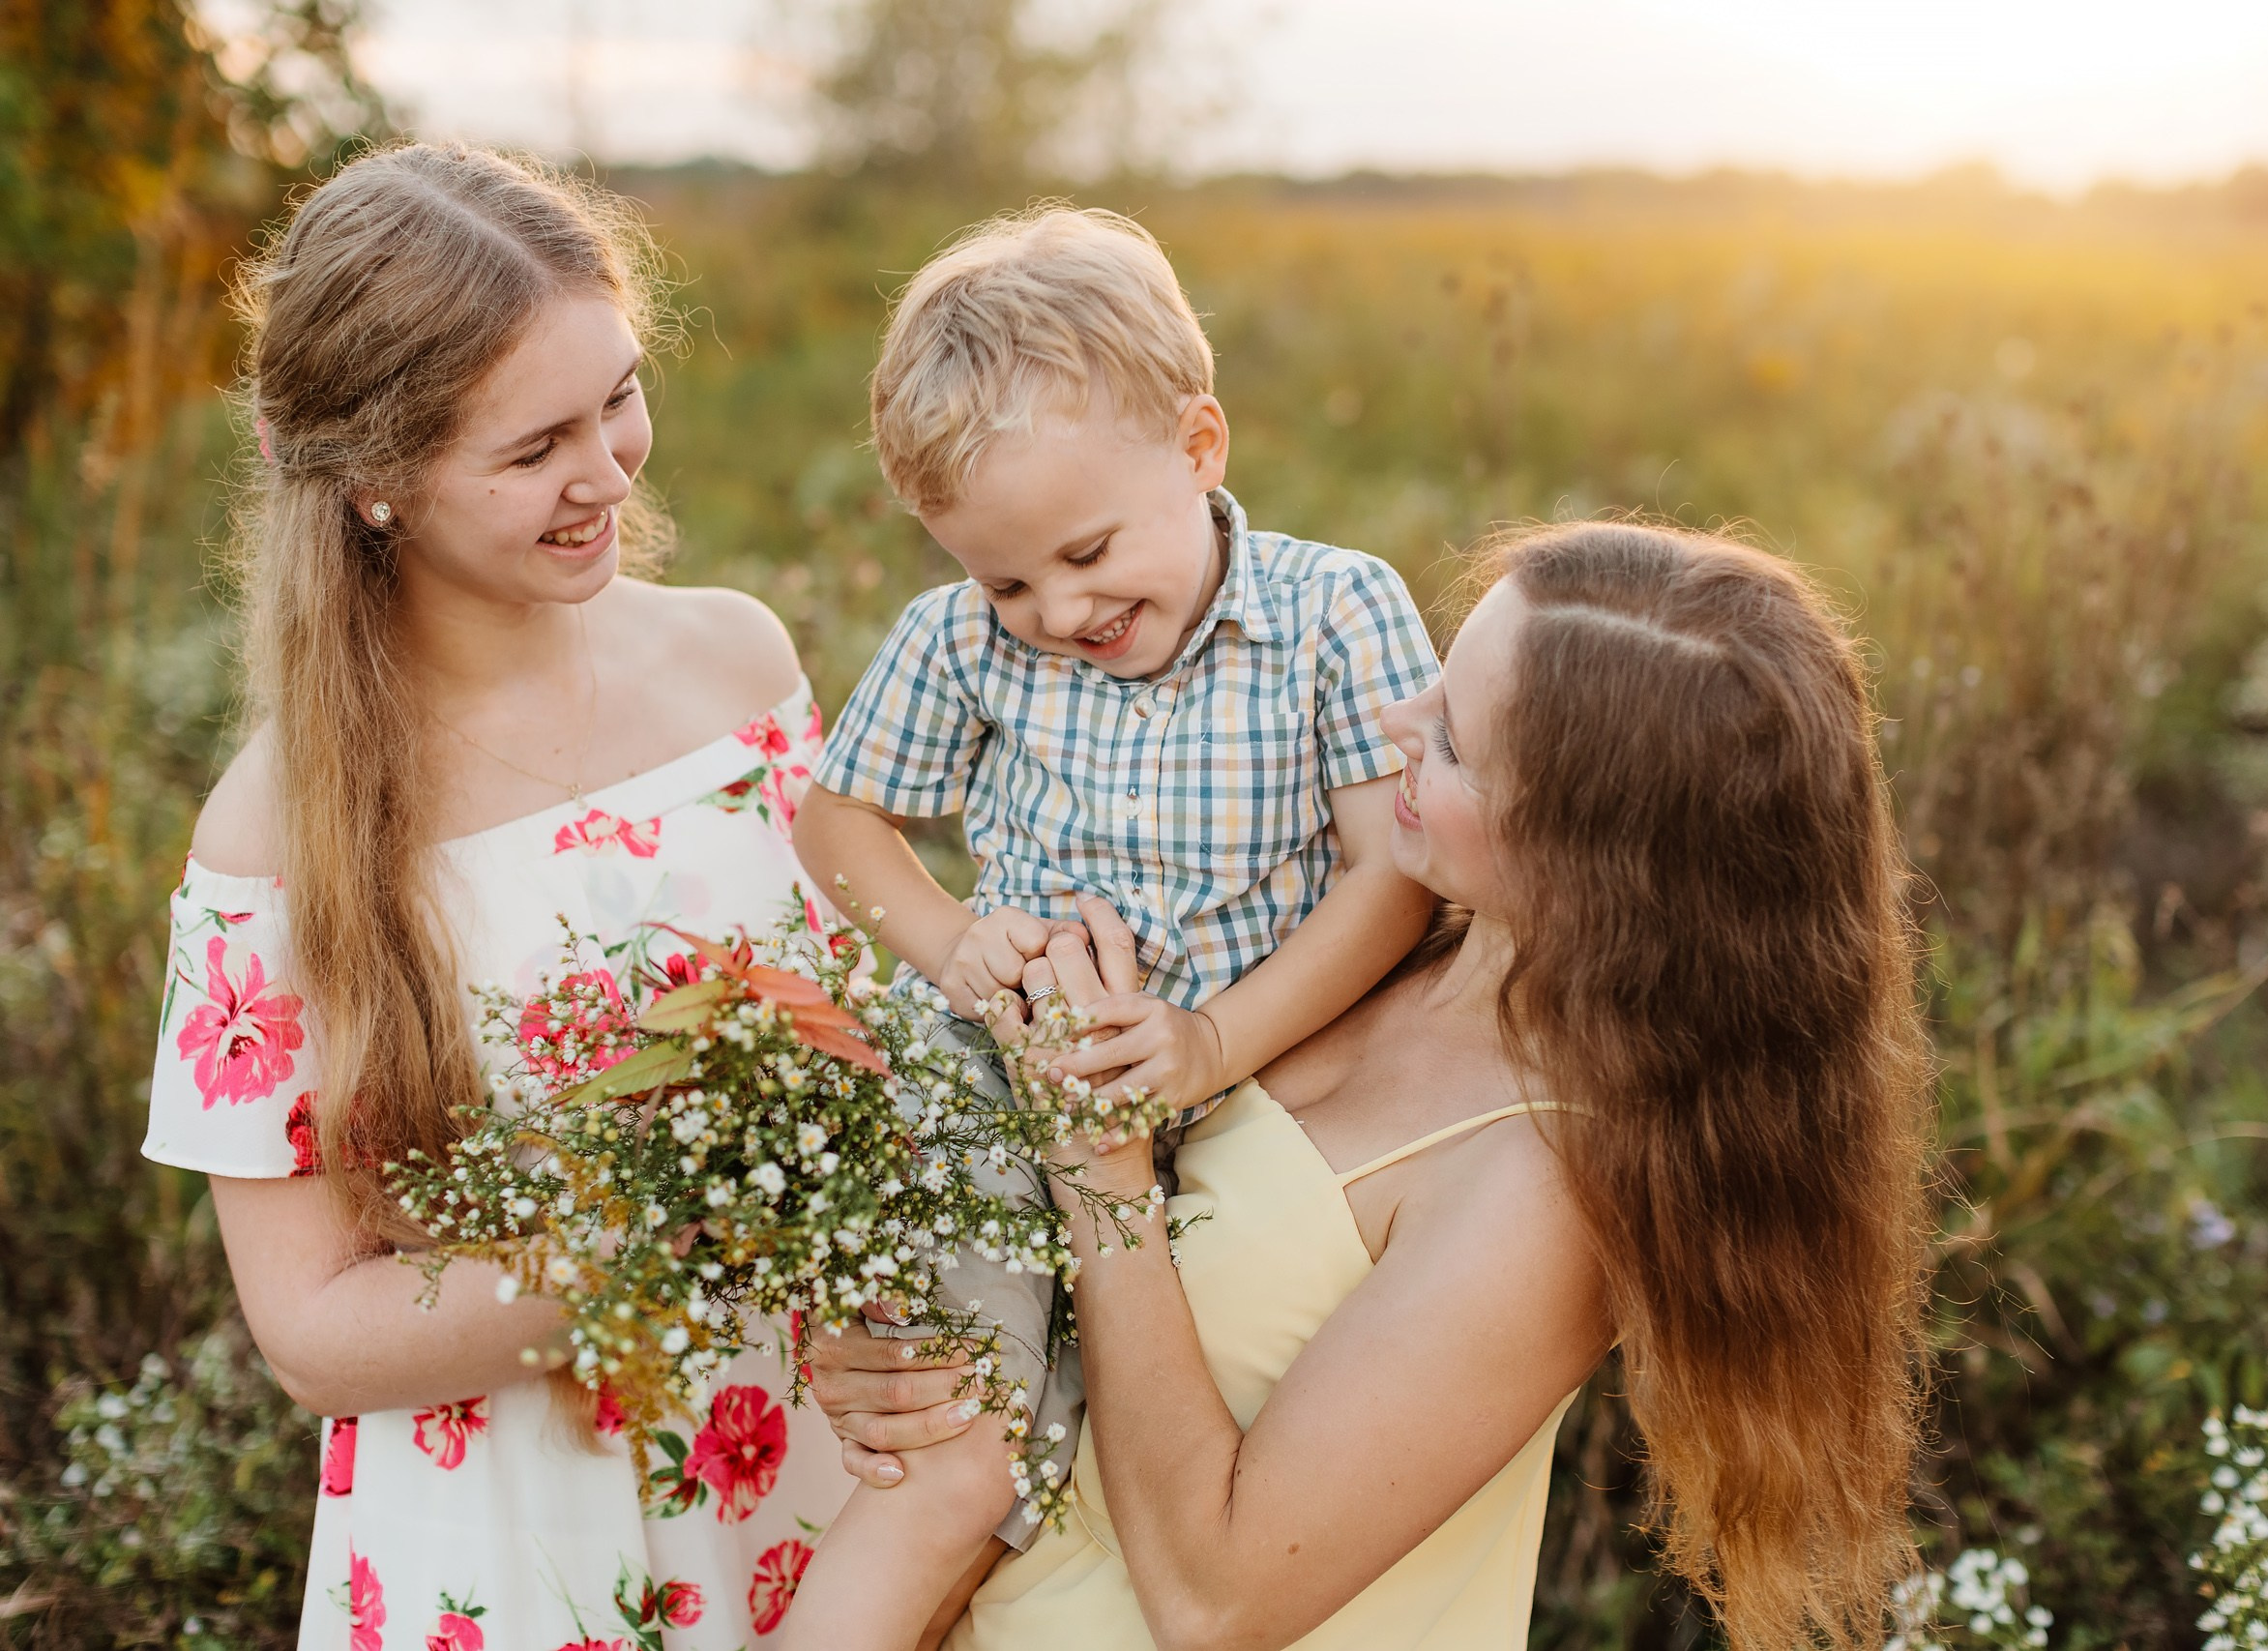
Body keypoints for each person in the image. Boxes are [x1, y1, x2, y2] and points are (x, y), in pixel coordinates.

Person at [805, 521, 1935, 1651]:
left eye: (1448, 743)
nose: (1394, 722)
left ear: (1579, 851)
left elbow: (1216, 1601)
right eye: (1434, 684)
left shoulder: (1549, 1185)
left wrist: (1097, 1173)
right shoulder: (1360, 942)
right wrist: (912, 1368)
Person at [143, 143, 849, 1648]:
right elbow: (314, 1334)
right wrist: (667, 1221)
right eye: (534, 449)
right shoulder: (278, 830)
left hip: (822, 1477)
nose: (604, 470)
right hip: (524, 1539)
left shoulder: (738, 663)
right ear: (377, 481)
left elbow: (861, 1032)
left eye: (620, 397)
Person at [789, 208, 1441, 1643]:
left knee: (1179, 1432)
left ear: (1199, 448)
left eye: (1085, 552)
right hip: (1004, 1080)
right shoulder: (959, 639)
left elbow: (1390, 876)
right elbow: (838, 823)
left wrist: (1212, 1039)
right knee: (955, 1444)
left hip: (1257, 1077)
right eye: (1007, 577)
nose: (1056, 610)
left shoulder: (1336, 612)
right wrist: (953, 941)